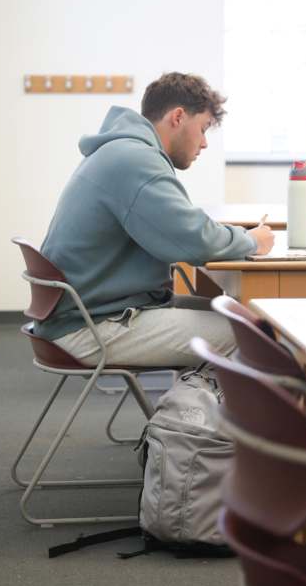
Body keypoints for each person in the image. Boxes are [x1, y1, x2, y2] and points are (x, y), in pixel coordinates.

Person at [34, 72, 274, 368]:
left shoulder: (121, 150)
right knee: (255, 334)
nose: (204, 143)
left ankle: (198, 404)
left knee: (239, 315)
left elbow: (182, 228)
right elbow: (192, 240)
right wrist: (252, 240)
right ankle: (187, 412)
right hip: (89, 327)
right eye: (203, 128)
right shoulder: (136, 159)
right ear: (178, 117)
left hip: (91, 312)